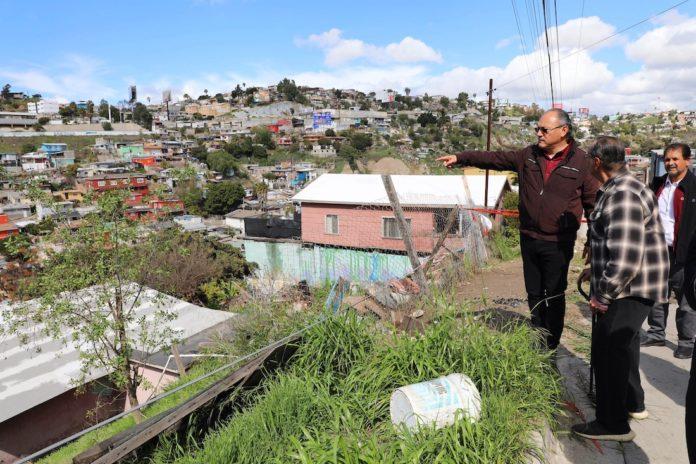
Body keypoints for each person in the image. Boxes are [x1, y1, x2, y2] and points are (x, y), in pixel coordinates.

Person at [437, 109, 599, 349]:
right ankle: (537, 336)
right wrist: (461, 157)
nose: (539, 134)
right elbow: (494, 158)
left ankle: (551, 346)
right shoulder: (528, 156)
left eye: (544, 129)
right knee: (534, 292)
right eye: (537, 129)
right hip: (530, 238)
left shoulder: (582, 162)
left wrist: (593, 242)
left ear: (564, 131)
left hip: (558, 242)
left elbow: (592, 204)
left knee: (554, 295)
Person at [573, 136, 669, 442]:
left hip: (630, 286)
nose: (586, 162)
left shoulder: (623, 193)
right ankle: (633, 404)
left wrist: (603, 295)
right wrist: (595, 270)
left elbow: (626, 257)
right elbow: (615, 243)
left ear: (597, 162)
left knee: (609, 349)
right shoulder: (618, 188)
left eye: (588, 158)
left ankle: (612, 424)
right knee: (623, 346)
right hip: (632, 284)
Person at [641, 143, 696, 359]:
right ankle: (656, 333)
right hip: (657, 249)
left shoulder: (693, 187)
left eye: (675, 159)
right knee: (657, 294)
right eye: (667, 159)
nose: (670, 163)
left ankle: (686, 341)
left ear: (687, 161)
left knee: (686, 300)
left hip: (685, 253)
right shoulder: (656, 184)